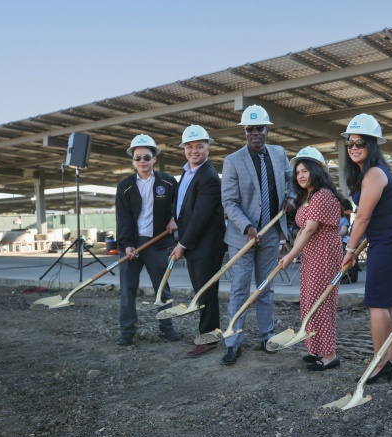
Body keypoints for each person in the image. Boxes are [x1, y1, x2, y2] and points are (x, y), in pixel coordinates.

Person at [220, 105, 295, 366]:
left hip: (271, 234)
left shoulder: (279, 153)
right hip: (243, 237)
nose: (255, 133)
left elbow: (292, 180)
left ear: (267, 130)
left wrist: (290, 198)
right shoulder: (232, 161)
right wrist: (247, 227)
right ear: (244, 131)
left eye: (260, 128)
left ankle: (266, 336)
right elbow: (229, 202)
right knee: (239, 290)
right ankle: (232, 342)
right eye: (250, 129)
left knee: (266, 288)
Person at [341, 113, 392, 384]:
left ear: (372, 145)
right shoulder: (369, 172)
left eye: (361, 142)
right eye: (350, 143)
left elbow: (363, 217)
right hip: (388, 241)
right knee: (389, 302)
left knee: (377, 304)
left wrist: (349, 249)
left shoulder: (374, 173)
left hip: (389, 244)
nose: (354, 147)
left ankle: (380, 362)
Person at [279, 147, 344, 371]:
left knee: (321, 301)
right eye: (298, 172)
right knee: (309, 300)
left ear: (317, 171)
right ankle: (314, 348)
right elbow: (303, 231)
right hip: (311, 253)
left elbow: (309, 230)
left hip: (324, 252)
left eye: (305, 170)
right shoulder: (309, 196)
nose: (301, 176)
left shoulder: (323, 195)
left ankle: (329, 355)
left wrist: (289, 255)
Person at [114, 134, 178, 346]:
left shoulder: (168, 182)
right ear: (133, 161)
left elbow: (179, 207)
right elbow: (122, 218)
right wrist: (127, 244)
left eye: (146, 157)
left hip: (158, 243)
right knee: (128, 290)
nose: (142, 162)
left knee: (162, 288)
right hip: (131, 243)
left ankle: (167, 328)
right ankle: (127, 332)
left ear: (154, 159)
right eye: (138, 158)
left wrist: (174, 219)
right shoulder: (125, 186)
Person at [170, 125, 227, 358]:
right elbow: (185, 205)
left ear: (208, 148)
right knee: (200, 291)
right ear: (184, 148)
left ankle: (210, 338)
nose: (194, 150)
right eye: (190, 146)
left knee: (206, 292)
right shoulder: (188, 172)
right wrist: (174, 219)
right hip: (195, 243)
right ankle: (205, 332)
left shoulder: (209, 177)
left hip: (206, 244)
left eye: (199, 146)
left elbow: (200, 217)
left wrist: (182, 244)